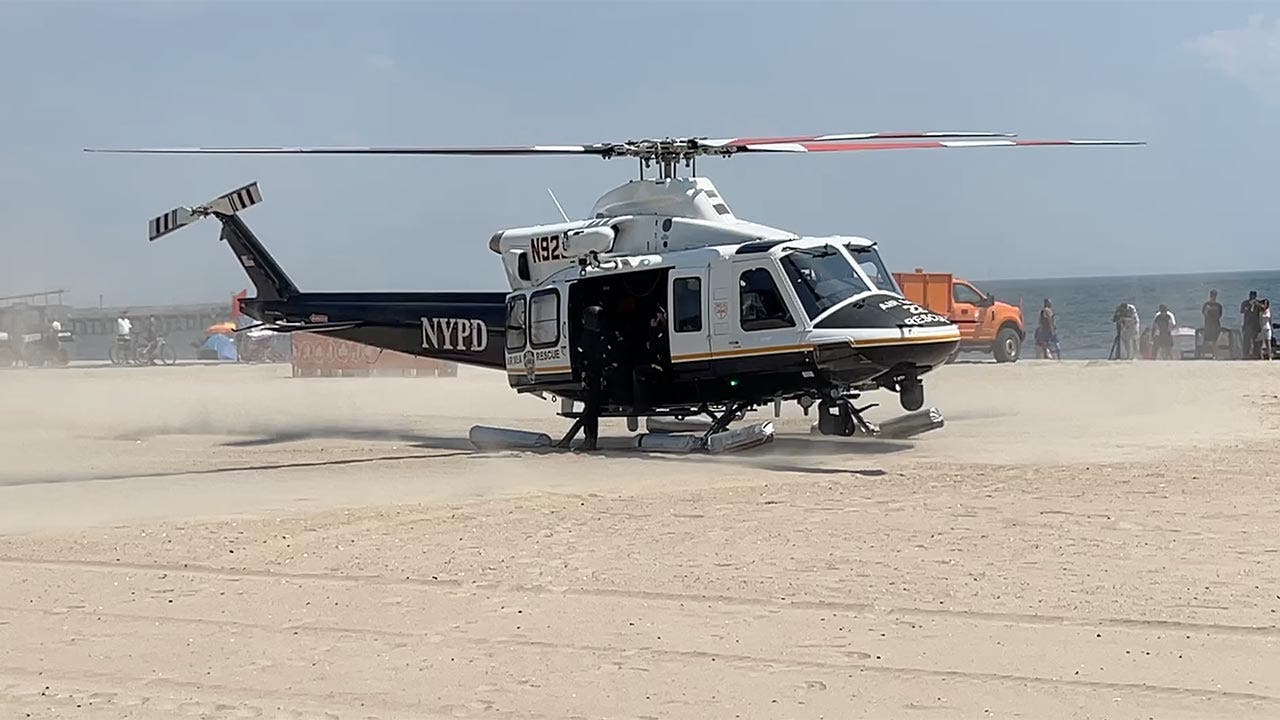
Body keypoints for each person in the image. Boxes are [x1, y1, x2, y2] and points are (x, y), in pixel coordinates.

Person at [575, 305, 610, 451]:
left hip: (593, 378)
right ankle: (590, 439)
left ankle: (590, 440)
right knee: (590, 410)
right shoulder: (600, 336)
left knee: (590, 410)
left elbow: (583, 357)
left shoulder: (589, 337)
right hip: (596, 377)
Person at [1201, 290, 1223, 356]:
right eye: (1212, 296)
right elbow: (1204, 314)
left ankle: (1215, 355)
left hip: (1216, 325)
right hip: (1208, 325)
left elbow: (1219, 315)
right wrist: (1207, 310)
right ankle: (1203, 354)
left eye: (1214, 296)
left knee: (1214, 341)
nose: (1213, 297)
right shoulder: (1206, 305)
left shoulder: (1218, 305)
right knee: (1206, 341)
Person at [1241, 291, 1261, 359]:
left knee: (1256, 340)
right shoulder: (1245, 303)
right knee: (1246, 340)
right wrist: (1248, 307)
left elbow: (1263, 310)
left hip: (1256, 325)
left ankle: (1256, 354)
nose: (1252, 297)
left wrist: (1257, 304)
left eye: (1254, 296)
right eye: (1251, 296)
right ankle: (1245, 354)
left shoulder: (1258, 303)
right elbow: (1242, 311)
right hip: (1247, 324)